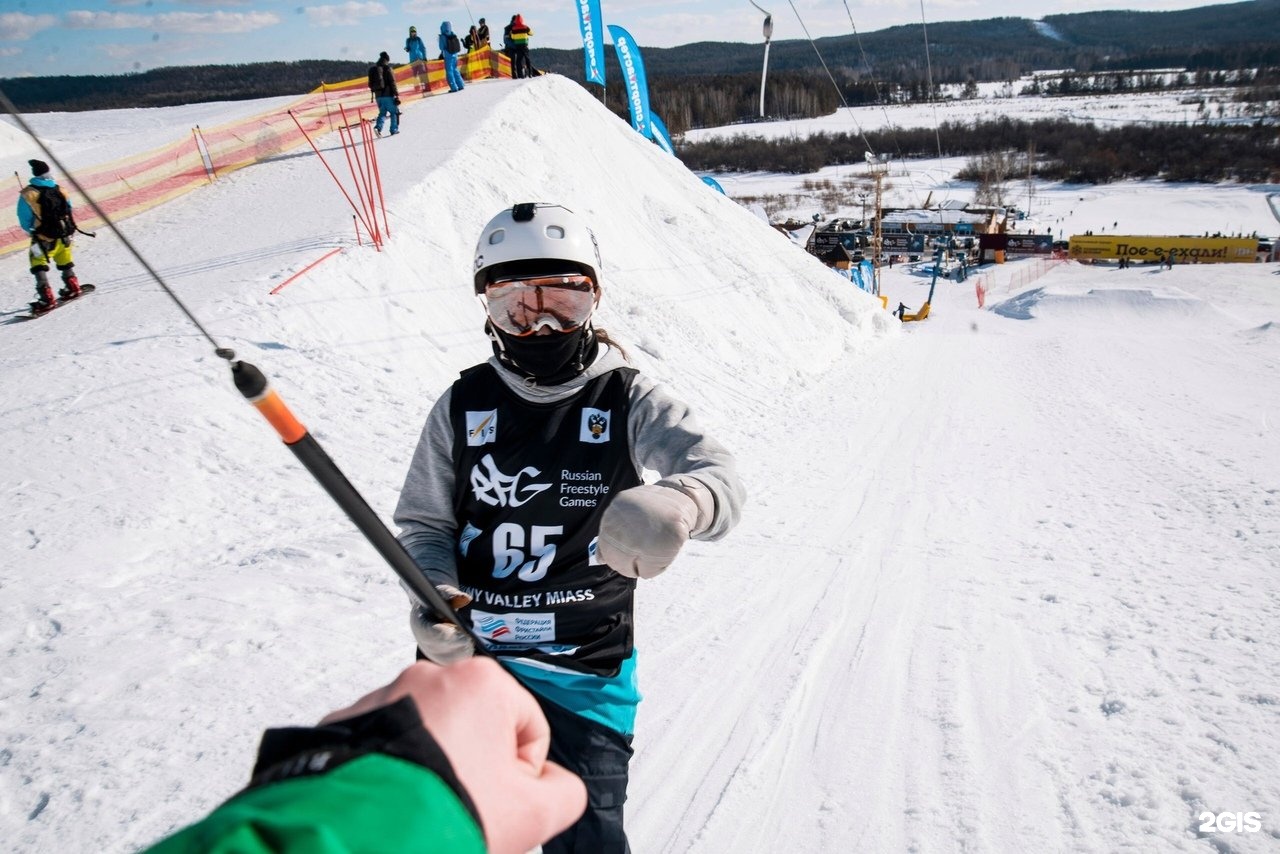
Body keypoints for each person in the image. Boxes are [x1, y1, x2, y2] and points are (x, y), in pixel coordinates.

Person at [394, 201, 745, 852]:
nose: (543, 321)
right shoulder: (463, 404)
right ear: (487, 308)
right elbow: (423, 524)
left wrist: (679, 503)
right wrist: (433, 592)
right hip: (472, 666)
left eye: (564, 298)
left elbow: (718, 472)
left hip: (584, 678)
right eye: (516, 305)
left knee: (586, 841)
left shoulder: (626, 397)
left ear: (595, 298)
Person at [144, 658, 587, 854]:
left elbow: (661, 465)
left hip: (588, 681)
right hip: (468, 674)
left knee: (592, 831)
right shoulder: (447, 458)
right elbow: (428, 524)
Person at [17, 159, 84, 311]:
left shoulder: (28, 194)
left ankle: (46, 296)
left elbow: (24, 217)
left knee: (37, 261)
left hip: (43, 237)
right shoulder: (60, 189)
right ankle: (72, 285)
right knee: (64, 258)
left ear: (35, 174)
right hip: (65, 233)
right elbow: (69, 208)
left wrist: (30, 230)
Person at [368, 51, 400, 136]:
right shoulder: (388, 68)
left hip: (378, 96)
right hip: (388, 95)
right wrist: (396, 93)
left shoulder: (374, 69)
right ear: (386, 60)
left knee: (382, 113)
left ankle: (378, 128)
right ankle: (394, 130)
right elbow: (392, 82)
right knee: (394, 112)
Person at [439, 21, 465, 93]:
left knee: (449, 71)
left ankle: (453, 87)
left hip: (448, 56)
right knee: (455, 70)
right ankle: (461, 85)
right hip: (455, 55)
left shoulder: (443, 36)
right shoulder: (453, 34)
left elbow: (441, 47)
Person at [508, 13, 534, 79]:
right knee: (527, 59)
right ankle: (530, 74)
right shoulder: (525, 27)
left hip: (518, 46)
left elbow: (513, 37)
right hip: (525, 46)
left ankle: (520, 75)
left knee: (518, 61)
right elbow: (532, 33)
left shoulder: (513, 28)